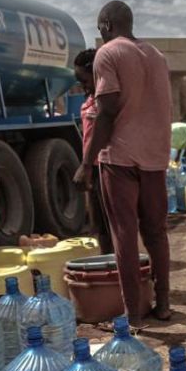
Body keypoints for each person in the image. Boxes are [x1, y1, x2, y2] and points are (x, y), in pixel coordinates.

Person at [72, 0, 171, 322]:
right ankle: (164, 304)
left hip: (120, 159)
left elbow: (108, 110)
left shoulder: (108, 53)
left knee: (124, 234)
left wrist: (87, 163)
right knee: (156, 232)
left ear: (105, 26)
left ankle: (133, 315)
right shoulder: (156, 55)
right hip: (155, 156)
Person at [75, 48, 113, 255]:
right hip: (94, 168)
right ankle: (108, 261)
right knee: (98, 224)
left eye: (84, 79)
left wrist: (87, 165)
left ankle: (116, 265)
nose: (83, 85)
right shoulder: (90, 100)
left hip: (106, 166)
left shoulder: (106, 101)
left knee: (110, 223)